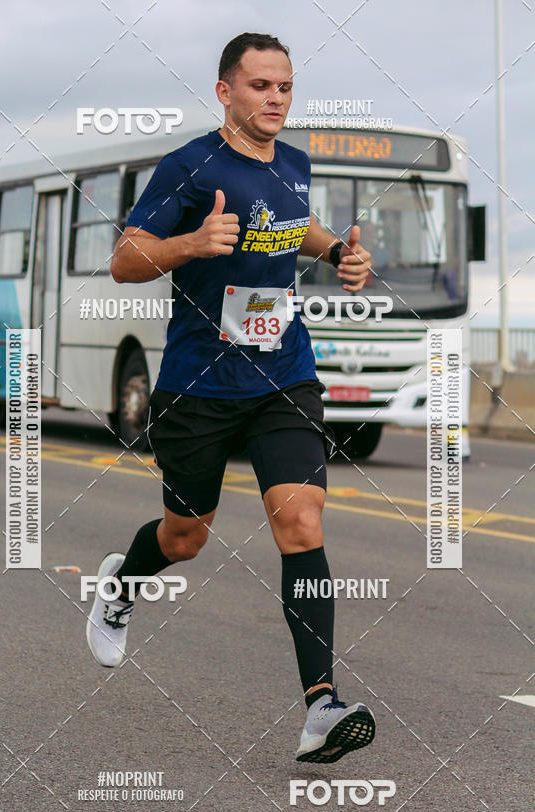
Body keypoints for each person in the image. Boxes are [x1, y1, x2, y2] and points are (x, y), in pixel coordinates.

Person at [86, 32, 377, 764]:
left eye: (284, 87)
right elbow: (125, 261)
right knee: (186, 538)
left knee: (302, 522)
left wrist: (339, 251)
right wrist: (189, 244)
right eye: (260, 87)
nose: (276, 99)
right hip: (198, 385)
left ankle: (320, 708)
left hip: (283, 372)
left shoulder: (295, 162)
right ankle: (123, 582)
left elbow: (292, 227)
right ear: (225, 92)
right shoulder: (190, 166)